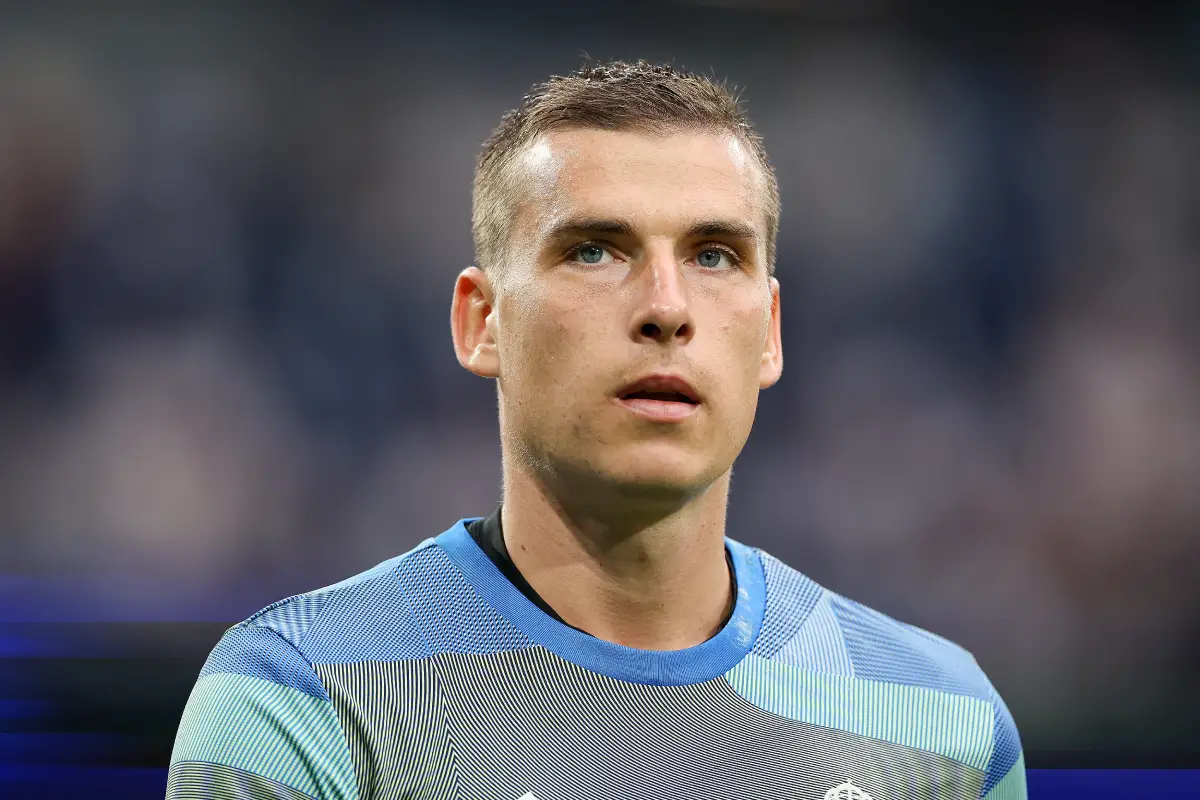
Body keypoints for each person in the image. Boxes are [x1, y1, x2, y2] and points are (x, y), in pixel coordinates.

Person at [167, 60, 1026, 800]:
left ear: (768, 332)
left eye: (713, 255)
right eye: (594, 250)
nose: (665, 308)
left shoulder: (942, 730)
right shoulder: (304, 700)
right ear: (482, 321)